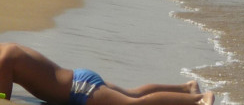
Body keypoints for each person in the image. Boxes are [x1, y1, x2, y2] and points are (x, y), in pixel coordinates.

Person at [0, 43, 214, 105]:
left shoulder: (4, 59)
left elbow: (3, 99)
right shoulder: (8, 49)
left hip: (79, 90)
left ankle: (199, 100)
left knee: (133, 104)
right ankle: (186, 88)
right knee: (133, 94)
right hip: (79, 79)